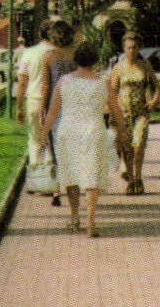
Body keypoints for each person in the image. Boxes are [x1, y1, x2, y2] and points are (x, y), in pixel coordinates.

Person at [43, 39, 119, 236]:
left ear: (76, 59)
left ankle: (75, 216)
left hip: (68, 130)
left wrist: (43, 133)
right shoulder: (103, 81)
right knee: (92, 175)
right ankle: (91, 221)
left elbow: (52, 112)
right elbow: (116, 109)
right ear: (95, 60)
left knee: (72, 174)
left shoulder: (64, 81)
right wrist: (123, 131)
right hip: (93, 129)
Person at [106, 31, 160, 195]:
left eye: (135, 47)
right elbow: (113, 92)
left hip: (141, 112)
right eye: (129, 48)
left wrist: (153, 100)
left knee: (138, 146)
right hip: (123, 112)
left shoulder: (145, 65)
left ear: (139, 48)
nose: (132, 51)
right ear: (124, 48)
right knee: (126, 148)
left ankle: (138, 176)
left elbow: (156, 86)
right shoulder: (118, 68)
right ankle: (131, 180)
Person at [37, 20, 78, 206]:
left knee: (54, 150)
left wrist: (41, 113)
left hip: (55, 108)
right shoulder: (76, 55)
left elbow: (45, 87)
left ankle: (56, 190)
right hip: (74, 108)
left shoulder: (47, 57)